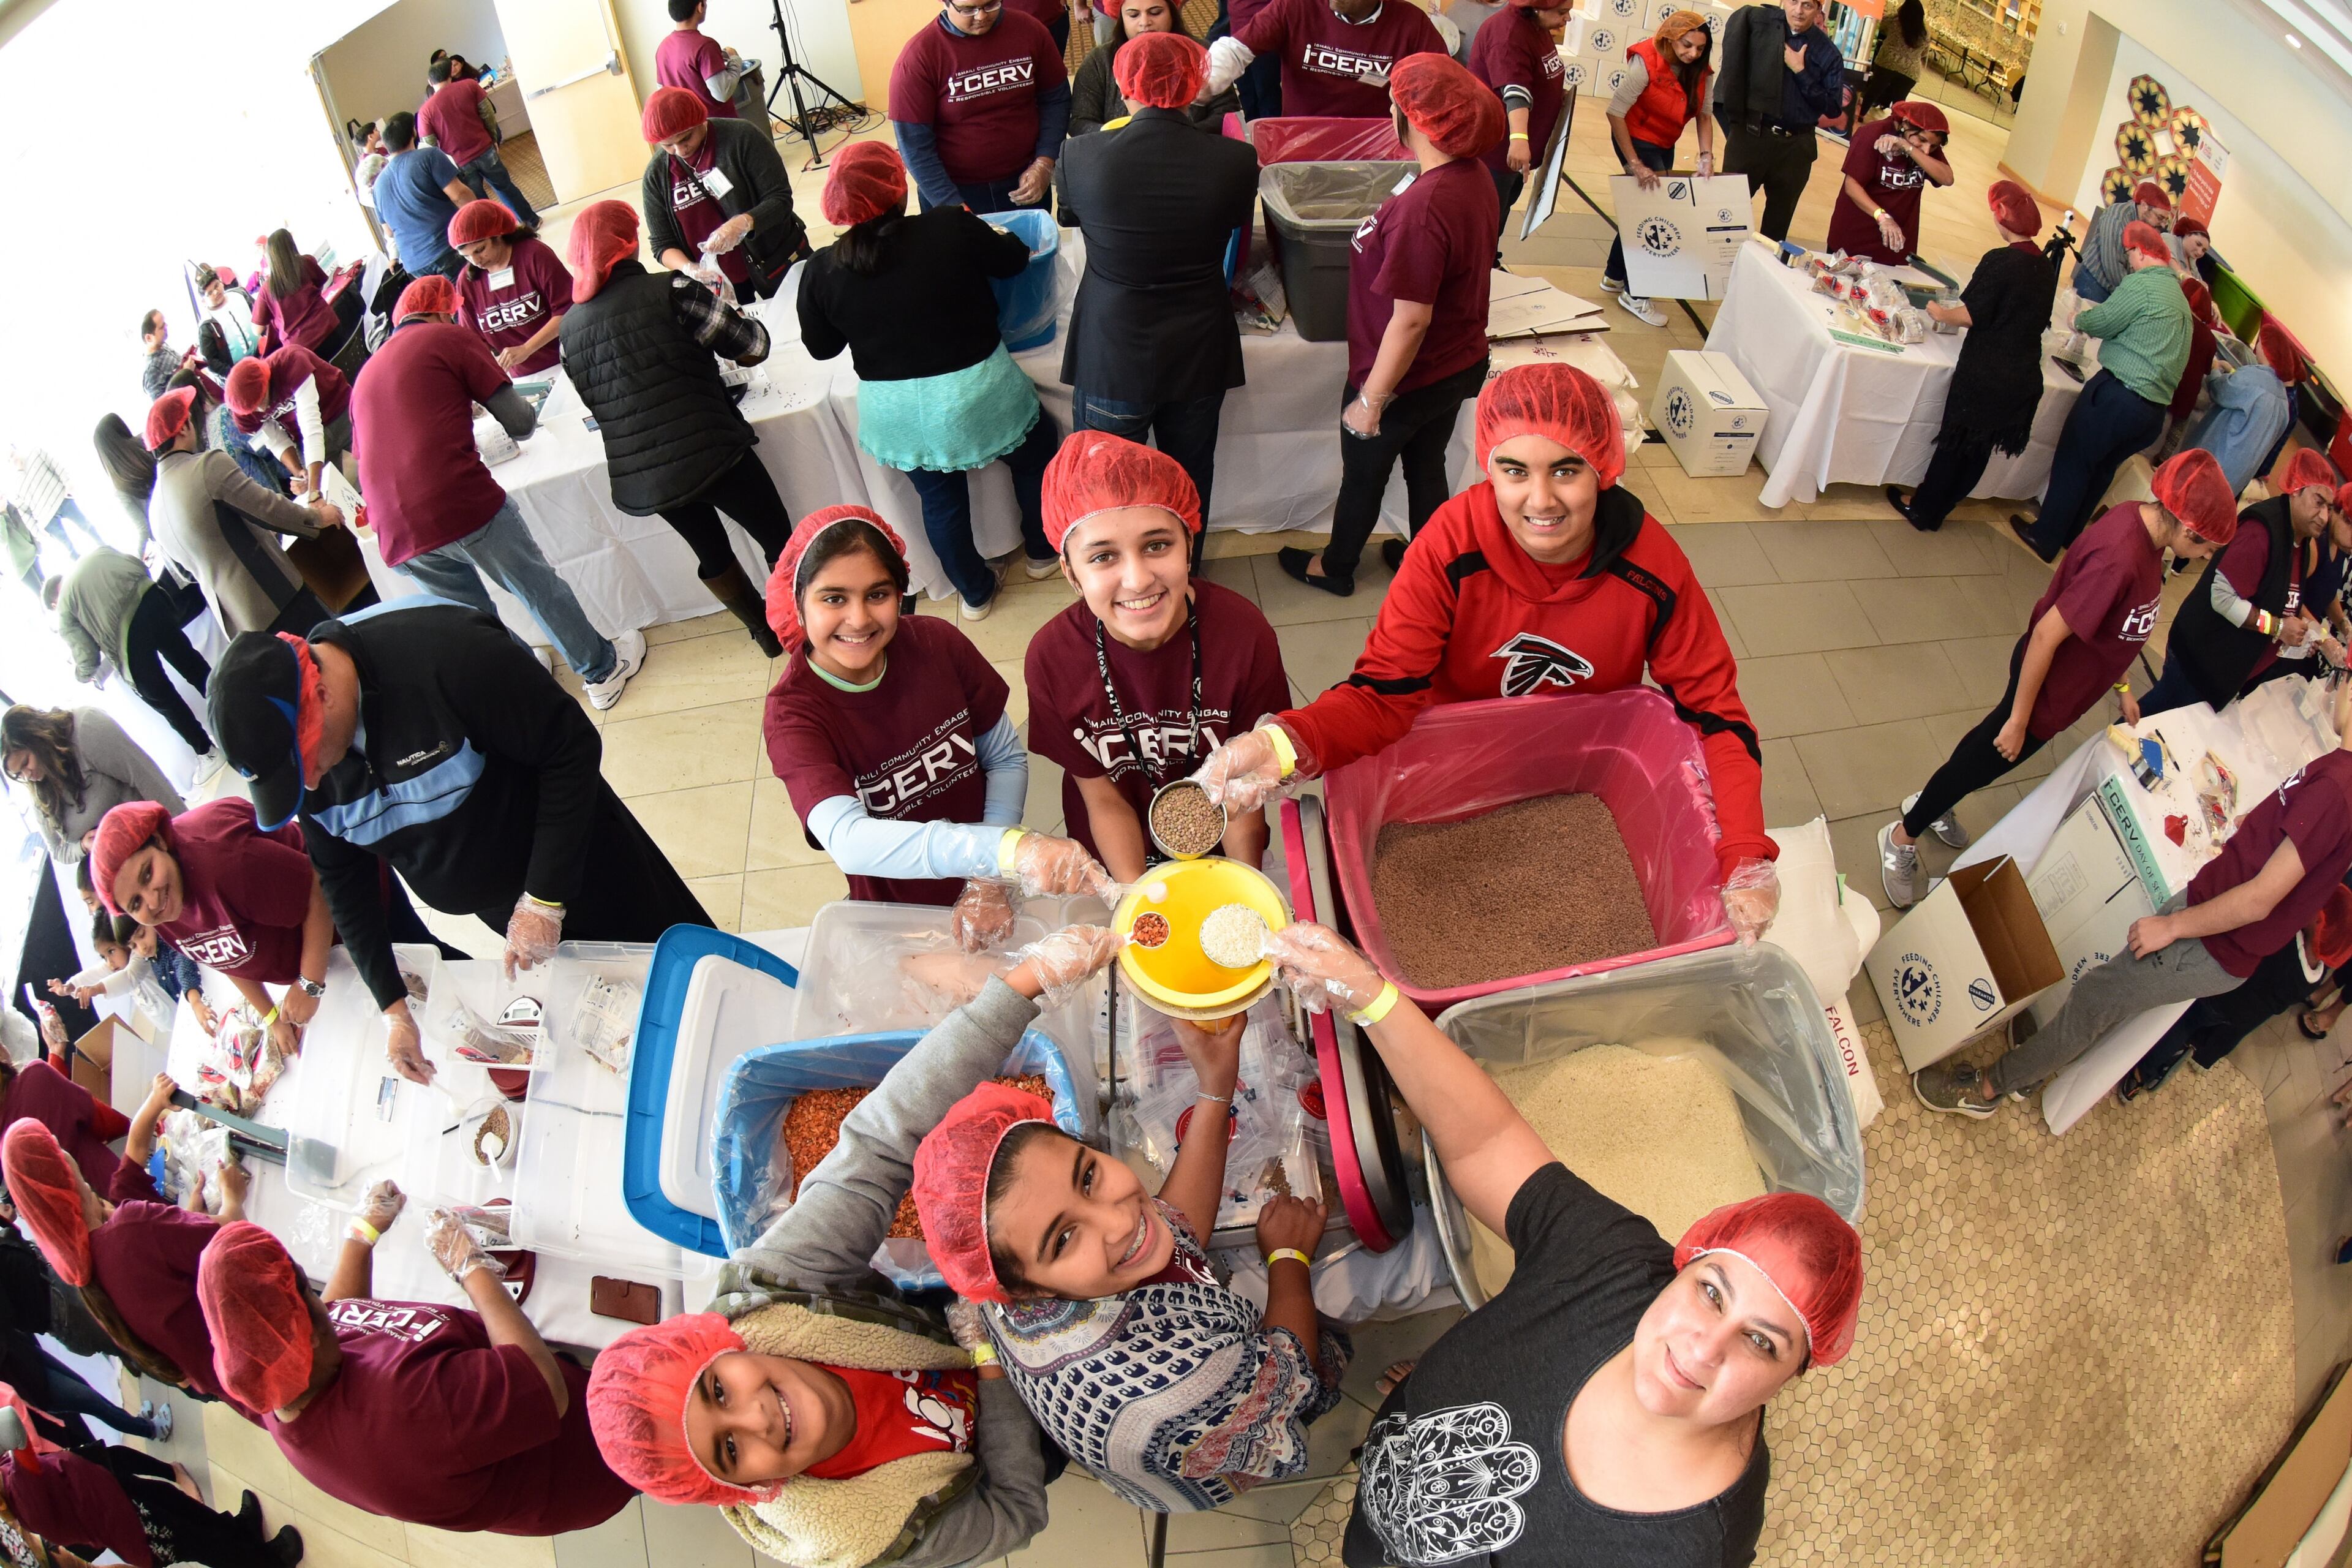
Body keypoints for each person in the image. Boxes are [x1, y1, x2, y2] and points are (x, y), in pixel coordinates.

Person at [1257, 921, 1861, 1568]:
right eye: (1712, 1293)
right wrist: (1368, 996)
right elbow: (1488, 1142)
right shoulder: (1614, 1266)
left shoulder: (1687, 1553)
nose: (1704, 1348)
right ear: (1683, 1263)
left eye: (1762, 1341)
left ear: (1793, 1374)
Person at [1196, 364, 1783, 941]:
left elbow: (1717, 715)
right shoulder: (1449, 545)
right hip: (1449, 771)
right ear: (1488, 467)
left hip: (1573, 777)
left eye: (1566, 470)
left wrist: (1745, 853)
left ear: (1604, 467)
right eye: (1514, 470)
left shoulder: (1653, 569)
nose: (1541, 499)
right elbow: (1384, 695)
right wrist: (1284, 744)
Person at [588, 937, 1115, 1562]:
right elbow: (1015, 1510)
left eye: (719, 1391)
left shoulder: (777, 1292)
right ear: (751, 1487)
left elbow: (882, 1140)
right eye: (729, 1449)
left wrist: (1020, 985)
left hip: (954, 1336)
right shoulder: (870, 1536)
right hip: (1016, 1428)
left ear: (721, 1344)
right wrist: (992, 1368)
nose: (754, 1419)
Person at [205, 603, 709, 1087]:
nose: (310, 785)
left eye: (305, 761)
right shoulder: (310, 782)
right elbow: (342, 875)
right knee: (617, 1012)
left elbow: (569, 746)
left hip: (582, 856)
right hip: (497, 905)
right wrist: (393, 1007)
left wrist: (544, 898)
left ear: (319, 696)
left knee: (684, 964)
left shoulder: (445, 654)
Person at [911, 965, 1348, 1511]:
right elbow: (1287, 1369)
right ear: (1027, 1292)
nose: (1118, 1222)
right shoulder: (1179, 1384)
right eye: (1065, 1239)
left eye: (1089, 1176)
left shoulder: (1023, 1270)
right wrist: (1289, 1258)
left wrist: (1215, 1087)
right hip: (1202, 1453)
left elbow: (1172, 1224)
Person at [1917, 672, 2352, 1118]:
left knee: (2095, 1001)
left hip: (2209, 940)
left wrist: (2173, 925)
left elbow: (2261, 898)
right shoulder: (2341, 776)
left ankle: (1992, 1087)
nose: (2336, 689)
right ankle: (2036, 1063)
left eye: (2345, 679)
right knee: (2105, 1002)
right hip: (2214, 924)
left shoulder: (2338, 788)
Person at [1878, 451, 2237, 906]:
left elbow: (2115, 630)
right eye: (2207, 549)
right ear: (2189, 528)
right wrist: (2019, 719)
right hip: (2045, 687)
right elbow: (2048, 634)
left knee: (1982, 758)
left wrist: (2123, 687)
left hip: (2063, 688)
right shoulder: (2120, 558)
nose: (2205, 557)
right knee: (1984, 755)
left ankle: (1937, 802)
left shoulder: (2145, 535)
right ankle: (1903, 835)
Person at [193, 1200, 634, 1536]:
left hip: (540, 1390)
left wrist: (362, 1232)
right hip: (592, 1444)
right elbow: (540, 1384)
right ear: (306, 1336)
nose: (322, 1303)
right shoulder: (406, 1415)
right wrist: (471, 1266)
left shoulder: (281, 1378)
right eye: (308, 1294)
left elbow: (340, 1311)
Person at [762, 505, 1114, 920]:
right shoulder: (795, 716)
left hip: (990, 874)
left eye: (878, 594)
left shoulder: (938, 644)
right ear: (797, 604)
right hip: (900, 905)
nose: (858, 619)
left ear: (900, 595)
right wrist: (1003, 851)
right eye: (834, 598)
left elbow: (1003, 759)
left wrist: (988, 878)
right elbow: (849, 840)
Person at [353, 274, 645, 710]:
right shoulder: (448, 339)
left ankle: (524, 678)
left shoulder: (367, 373)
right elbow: (522, 424)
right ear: (442, 312)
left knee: (470, 619)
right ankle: (601, 671)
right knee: (535, 585)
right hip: (455, 502)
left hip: (395, 531)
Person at [797, 143, 1060, 617]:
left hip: (896, 414)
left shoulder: (822, 268)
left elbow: (822, 348)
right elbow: (1015, 258)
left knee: (940, 503)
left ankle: (975, 593)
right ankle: (1043, 553)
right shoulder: (948, 225)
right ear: (900, 190)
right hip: (977, 393)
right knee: (1036, 453)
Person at [1280, 55, 1502, 597]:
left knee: (1365, 475)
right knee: (1427, 466)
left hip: (1404, 376)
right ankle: (1427, 562)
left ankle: (1336, 568)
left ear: (1417, 121)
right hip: (1456, 362)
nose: (1390, 112)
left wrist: (1371, 400)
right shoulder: (1472, 177)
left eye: (1395, 105)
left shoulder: (1424, 207)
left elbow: (1411, 319)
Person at [1026, 433, 1289, 880]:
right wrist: (1136, 902)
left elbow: (1245, 788)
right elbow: (1102, 798)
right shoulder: (1053, 660)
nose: (1137, 579)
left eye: (1156, 545)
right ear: (1071, 573)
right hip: (1115, 848)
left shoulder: (1244, 636)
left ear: (1189, 544)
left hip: (1225, 833)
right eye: (1104, 556)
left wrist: (1243, 887)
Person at [561, 200, 791, 652]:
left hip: (646, 472)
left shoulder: (569, 329)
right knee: (778, 539)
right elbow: (753, 346)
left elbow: (597, 400)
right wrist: (727, 309)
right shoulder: (672, 290)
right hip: (712, 448)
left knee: (710, 552)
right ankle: (799, 621)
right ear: (630, 244)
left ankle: (763, 634)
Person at [1059, 33, 1256, 527]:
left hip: (1114, 351)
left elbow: (1070, 219)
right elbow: (1231, 225)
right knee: (1188, 480)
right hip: (1198, 345)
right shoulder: (1235, 161)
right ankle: (1186, 578)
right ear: (1195, 86)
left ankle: (1111, 581)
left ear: (1124, 87)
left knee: (1105, 484)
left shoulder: (1081, 155)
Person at [90, 796, 450, 1060]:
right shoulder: (164, 914)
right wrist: (273, 1016)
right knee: (407, 1025)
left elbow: (318, 889)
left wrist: (310, 983)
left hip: (358, 909)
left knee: (437, 974)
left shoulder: (224, 862)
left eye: (148, 874)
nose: (152, 901)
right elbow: (224, 956)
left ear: (160, 840)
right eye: (134, 904)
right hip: (329, 957)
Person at [1, 1118, 259, 1419]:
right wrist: (233, 1196)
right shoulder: (128, 1228)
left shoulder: (85, 1271)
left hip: (236, 1384)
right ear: (61, 1172)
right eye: (55, 1146)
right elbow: (233, 1232)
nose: (63, 1147)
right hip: (255, 1354)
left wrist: (183, 1225)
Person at [2013, 222, 2192, 562]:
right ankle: (2069, 536)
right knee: (2100, 472)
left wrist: (2078, 321)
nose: (2128, 263)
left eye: (2129, 255)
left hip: (2119, 398)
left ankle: (2045, 536)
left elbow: (2106, 321)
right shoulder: (2180, 299)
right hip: (2151, 413)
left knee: (2074, 463)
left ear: (2140, 251)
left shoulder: (2143, 284)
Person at [1885, 181, 2058, 532]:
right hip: (2022, 374)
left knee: (1955, 445)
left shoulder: (2001, 260)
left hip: (1987, 373)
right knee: (1979, 449)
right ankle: (1944, 505)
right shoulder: (2045, 267)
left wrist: (1936, 310)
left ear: (2003, 215)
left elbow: (1970, 315)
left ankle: (1924, 510)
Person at [2137, 448, 2341, 718]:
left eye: (2329, 507)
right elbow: (2222, 597)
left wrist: (2309, 635)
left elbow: (2284, 597)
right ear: (2296, 490)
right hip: (2200, 660)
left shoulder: (2302, 544)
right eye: (2318, 502)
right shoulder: (2262, 531)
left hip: (2226, 673)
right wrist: (2278, 626)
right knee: (2150, 721)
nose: (2324, 516)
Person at [145, 388, 341, 640]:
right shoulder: (206, 466)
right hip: (274, 595)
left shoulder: (155, 509)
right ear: (183, 429)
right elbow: (267, 508)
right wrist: (318, 518)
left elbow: (185, 573)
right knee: (331, 655)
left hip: (239, 626)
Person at [0, 1412, 301, 1568]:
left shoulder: (7, 1475)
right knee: (204, 1543)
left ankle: (241, 1530)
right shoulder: (23, 1497)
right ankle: (269, 1561)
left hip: (118, 1495)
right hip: (132, 1527)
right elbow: (9, 1424)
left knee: (188, 1512)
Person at [1591, 8, 1713, 327]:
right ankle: (1636, 293)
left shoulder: (1701, 70)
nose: (1693, 53)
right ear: (1669, 38)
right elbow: (1615, 112)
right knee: (1656, 214)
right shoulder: (1644, 63)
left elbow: (1704, 114)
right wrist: (1635, 164)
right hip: (1634, 136)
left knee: (1641, 209)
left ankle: (1614, 276)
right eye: (1686, 45)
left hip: (1664, 140)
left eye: (1700, 48)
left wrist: (1706, 155)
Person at [889, 0, 1071, 214]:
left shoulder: (1031, 31)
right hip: (955, 191)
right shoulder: (918, 57)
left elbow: (1056, 99)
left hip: (1026, 181)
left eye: (991, 5)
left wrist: (1045, 162)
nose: (981, 16)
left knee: (1029, 248)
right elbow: (914, 145)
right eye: (968, 10)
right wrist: (950, 205)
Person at [639, 88, 810, 304]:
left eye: (685, 138)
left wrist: (744, 223)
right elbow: (662, 244)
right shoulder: (657, 175)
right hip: (719, 281)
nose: (680, 150)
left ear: (701, 121)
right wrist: (691, 269)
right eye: (667, 145)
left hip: (773, 259)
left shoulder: (742, 137)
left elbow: (780, 198)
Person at [43, 548, 213, 756]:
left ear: (53, 604)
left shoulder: (63, 610)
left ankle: (206, 751)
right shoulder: (94, 555)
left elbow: (88, 659)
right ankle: (233, 711)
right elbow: (137, 565)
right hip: (152, 597)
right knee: (190, 662)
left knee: (163, 698)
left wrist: (81, 676)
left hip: (128, 635)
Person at [1713, 0, 1843, 244]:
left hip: (1796, 147)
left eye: (1807, 5)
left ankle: (1761, 277)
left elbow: (1833, 107)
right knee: (1725, 213)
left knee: (1777, 226)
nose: (1799, 11)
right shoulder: (1758, 26)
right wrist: (1737, 130)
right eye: (1794, 2)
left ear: (1818, 11)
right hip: (1751, 136)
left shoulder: (1828, 53)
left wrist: (1801, 71)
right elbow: (1731, 78)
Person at [0, 704, 181, 865]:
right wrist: (82, 847)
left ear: (38, 739)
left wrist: (184, 832)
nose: (28, 776)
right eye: (19, 775)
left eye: (25, 763)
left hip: (156, 839)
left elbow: (147, 778)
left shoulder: (86, 728)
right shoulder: (38, 792)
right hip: (122, 871)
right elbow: (57, 851)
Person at [1205, 0, 1445, 119]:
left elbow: (1445, 86)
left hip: (1375, 152)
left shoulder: (1412, 24)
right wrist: (1198, 86)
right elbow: (1235, 51)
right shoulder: (1296, 7)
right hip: (1301, 144)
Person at [1066, 0, 1237, 138]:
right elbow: (1080, 122)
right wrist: (1122, 138)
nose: (1145, 23)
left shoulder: (1201, 53)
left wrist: (1185, 135)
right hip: (1120, 161)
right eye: (1133, 15)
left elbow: (1227, 111)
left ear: (1172, 13)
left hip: (1195, 152)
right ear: (1121, 18)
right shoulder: (1099, 61)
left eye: (1155, 13)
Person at [449, 200, 571, 375]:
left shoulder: (534, 255)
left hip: (563, 358)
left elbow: (567, 310)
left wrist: (526, 348)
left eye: (480, 250)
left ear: (498, 235)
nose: (476, 261)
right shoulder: (467, 281)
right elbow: (472, 339)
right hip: (519, 374)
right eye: (466, 256)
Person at [1822, 99, 1951, 266]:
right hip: (1857, 236)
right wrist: (1882, 217)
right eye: (1922, 140)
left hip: (1896, 244)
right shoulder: (1871, 134)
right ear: (1905, 124)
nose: (1927, 150)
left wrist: (1909, 147)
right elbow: (1852, 186)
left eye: (1933, 146)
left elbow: (1947, 178)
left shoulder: (1923, 146)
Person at [418, 59, 540, 226]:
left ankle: (498, 233)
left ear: (430, 82)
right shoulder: (469, 86)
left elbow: (430, 146)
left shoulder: (425, 112)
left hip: (459, 162)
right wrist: (493, 138)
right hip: (485, 148)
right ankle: (531, 221)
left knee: (479, 204)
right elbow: (488, 114)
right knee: (505, 187)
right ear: (450, 74)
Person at [223, 346, 350, 503]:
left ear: (267, 381)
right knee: (333, 500)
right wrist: (300, 472)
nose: (261, 409)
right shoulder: (244, 413)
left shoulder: (291, 362)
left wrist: (314, 491)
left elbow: (310, 424)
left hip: (340, 410)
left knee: (380, 465)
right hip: (304, 438)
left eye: (261, 400)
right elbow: (275, 440)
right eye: (254, 408)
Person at [2184, 332, 2300, 497]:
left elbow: (2220, 390)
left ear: (2266, 350)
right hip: (2236, 480)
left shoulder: (2254, 378)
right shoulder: (2284, 405)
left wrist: (2215, 371)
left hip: (2212, 460)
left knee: (2184, 497)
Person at [371, 111, 475, 281]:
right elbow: (460, 196)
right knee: (472, 297)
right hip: (446, 248)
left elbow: (389, 231)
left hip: (415, 265)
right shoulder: (429, 156)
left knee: (447, 305)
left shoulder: (378, 186)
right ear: (413, 133)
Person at [2069, 179, 2173, 306]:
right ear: (2145, 206)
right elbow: (2112, 265)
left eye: (2166, 220)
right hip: (2094, 283)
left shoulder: (2148, 227)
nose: (2162, 224)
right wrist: (2132, 294)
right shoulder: (2117, 219)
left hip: (2118, 288)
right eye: (2160, 218)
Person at [249, 232, 339, 358]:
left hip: (303, 349)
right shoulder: (307, 262)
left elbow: (257, 329)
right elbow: (320, 284)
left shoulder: (267, 289)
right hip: (329, 326)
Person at [658, 0, 747, 118]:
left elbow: (662, 93)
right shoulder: (705, 46)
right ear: (700, 7)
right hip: (720, 127)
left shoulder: (662, 49)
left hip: (691, 129)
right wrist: (735, 60)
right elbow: (722, 93)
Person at [2163, 276, 2221, 448]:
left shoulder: (2176, 319)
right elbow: (2207, 368)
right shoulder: (2210, 339)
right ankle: (2163, 458)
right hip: (2187, 395)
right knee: (2179, 424)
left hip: (2166, 384)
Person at [1855, 0, 1926, 122]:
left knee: (1875, 89)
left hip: (1888, 62)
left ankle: (1861, 114)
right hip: (1910, 71)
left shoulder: (1894, 22)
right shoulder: (1925, 33)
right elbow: (1924, 53)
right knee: (1900, 100)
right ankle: (1896, 124)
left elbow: (1879, 26)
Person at [194, 266, 260, 367]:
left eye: (216, 286)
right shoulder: (207, 325)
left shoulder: (240, 294)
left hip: (263, 352)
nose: (216, 292)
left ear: (221, 283)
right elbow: (211, 362)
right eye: (210, 293)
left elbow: (260, 315)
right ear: (204, 301)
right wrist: (231, 373)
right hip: (239, 373)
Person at [137, 312, 180, 402]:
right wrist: (186, 371)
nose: (166, 327)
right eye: (162, 327)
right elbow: (163, 405)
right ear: (149, 338)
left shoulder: (161, 345)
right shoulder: (151, 370)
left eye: (165, 324)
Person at [2168, 216, 2216, 283]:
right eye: (2198, 244)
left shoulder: (2192, 261)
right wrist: (2185, 277)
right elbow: (2170, 260)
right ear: (2187, 234)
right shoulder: (2170, 239)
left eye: (2204, 250)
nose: (2200, 252)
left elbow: (2199, 282)